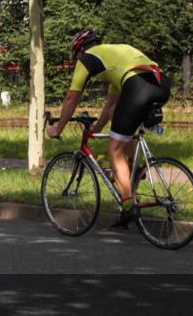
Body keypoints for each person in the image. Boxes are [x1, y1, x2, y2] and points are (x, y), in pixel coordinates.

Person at [46, 30, 172, 228]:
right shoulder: (114, 58)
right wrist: (96, 129)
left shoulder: (87, 58)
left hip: (137, 87)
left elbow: (72, 98)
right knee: (117, 112)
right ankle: (134, 169)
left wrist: (58, 129)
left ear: (80, 50)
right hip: (160, 84)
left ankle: (129, 204)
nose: (78, 60)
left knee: (114, 150)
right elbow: (110, 106)